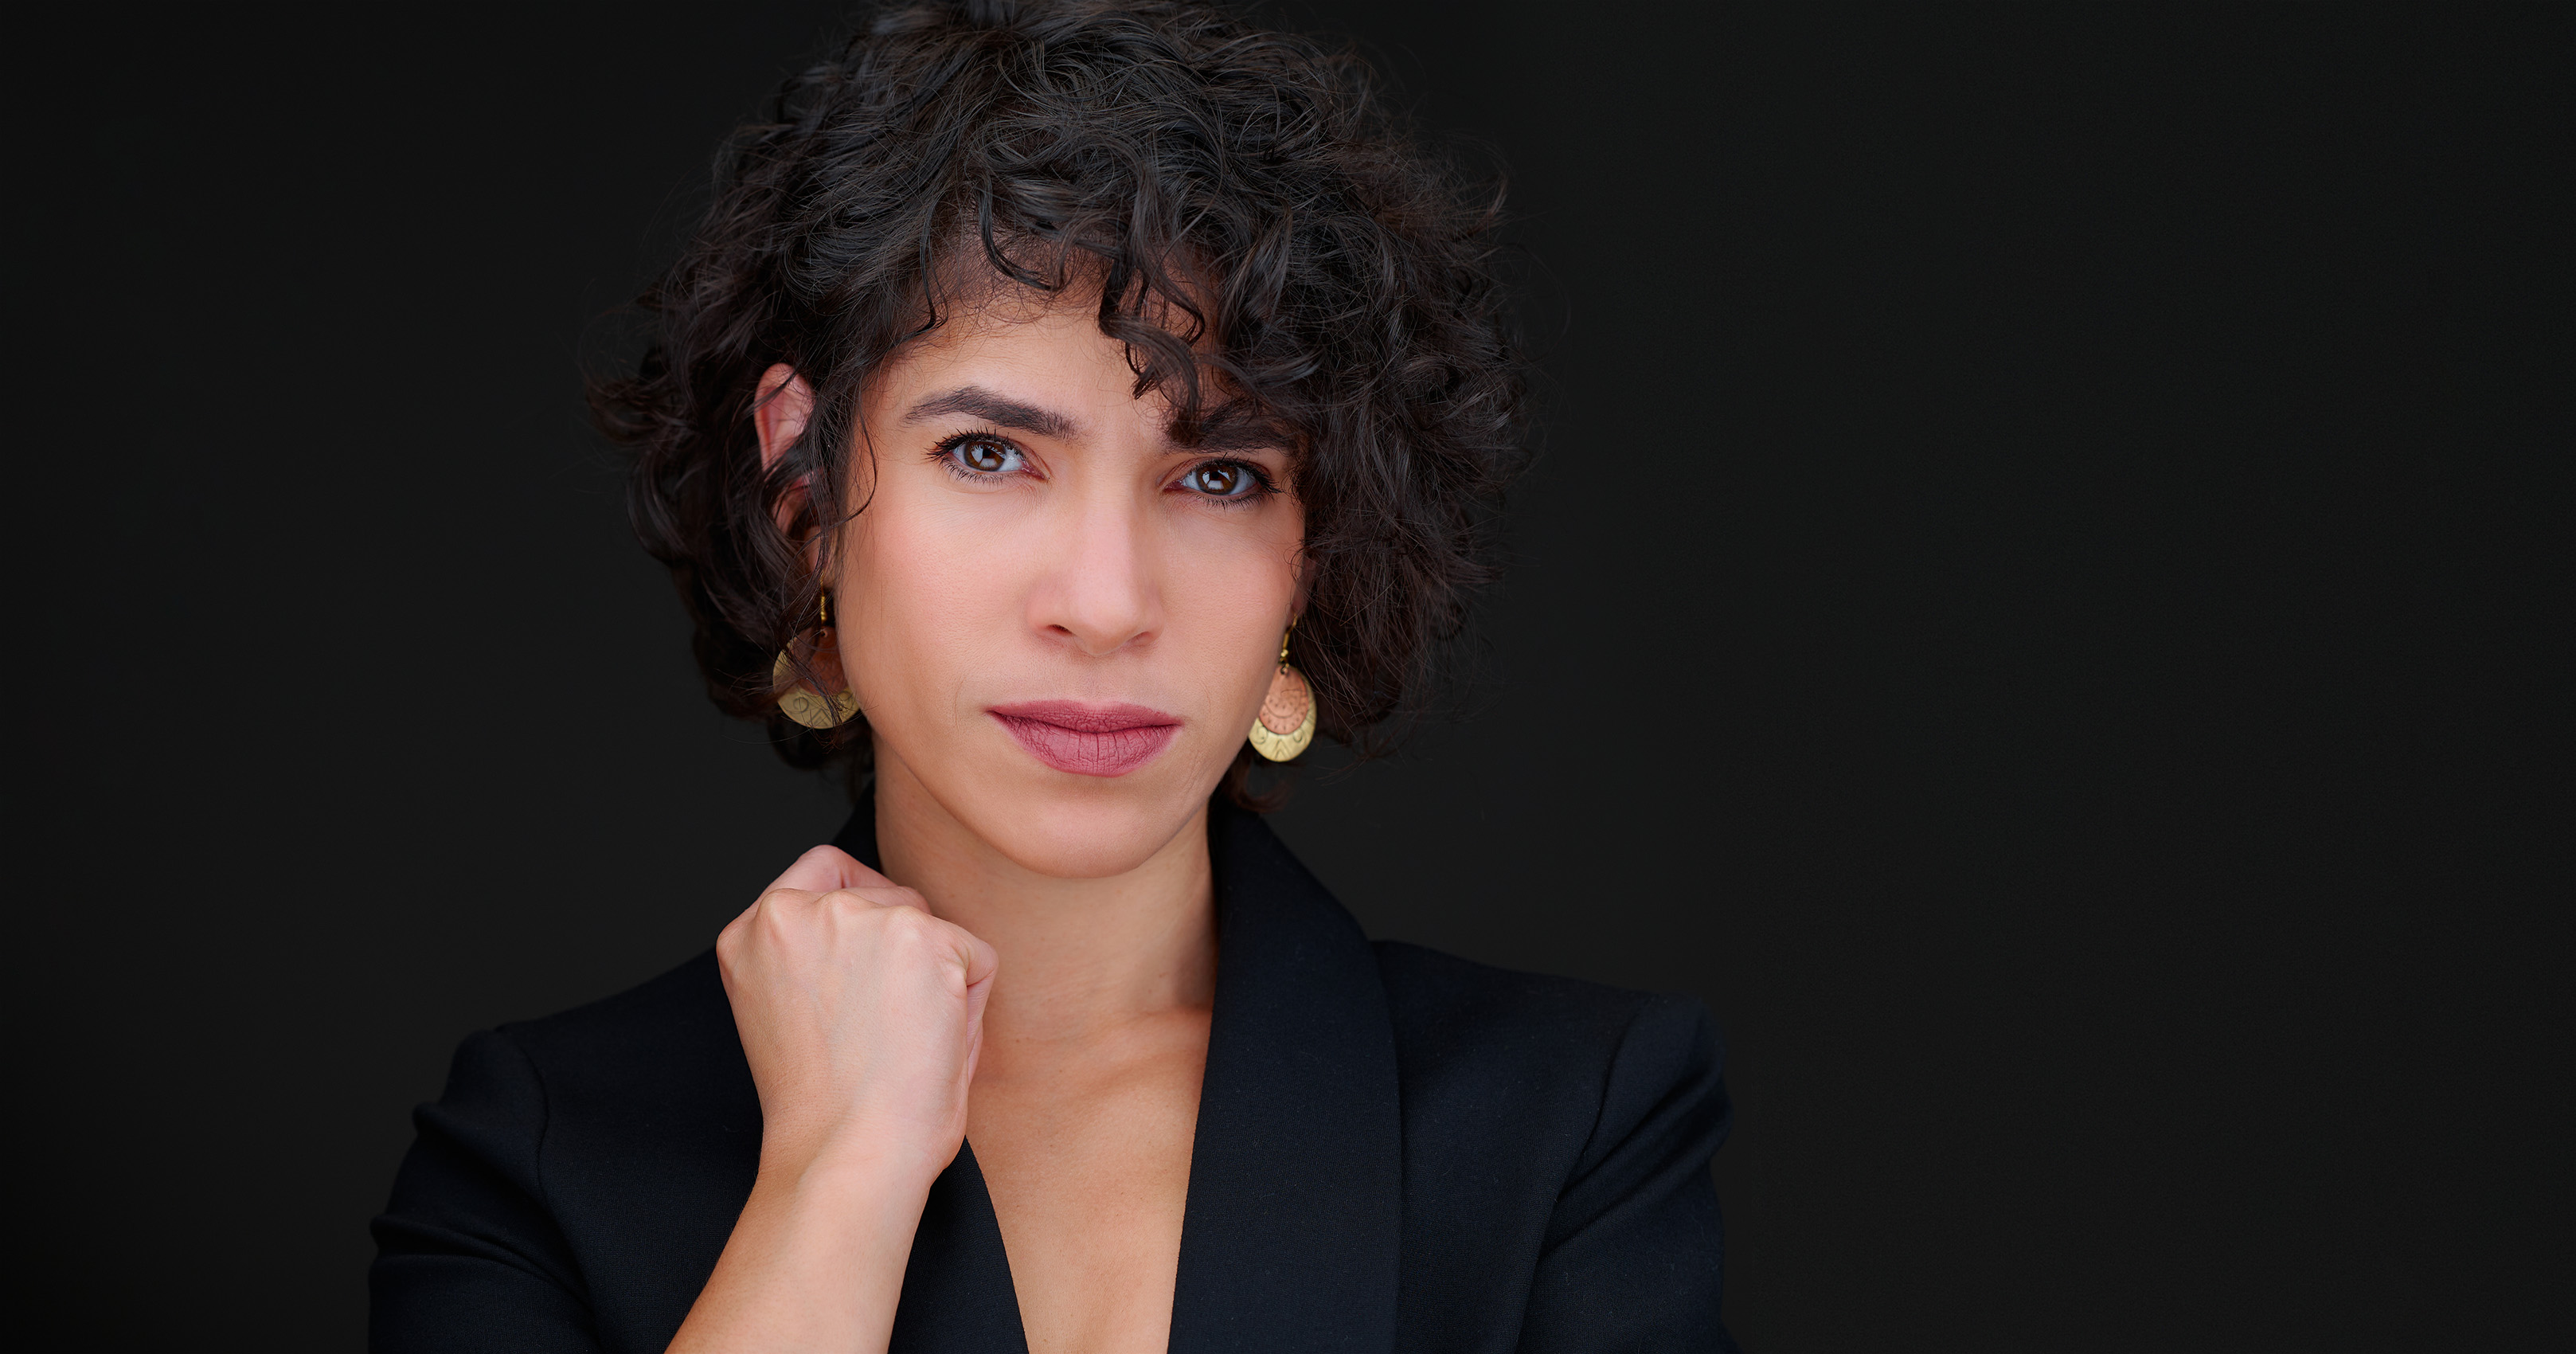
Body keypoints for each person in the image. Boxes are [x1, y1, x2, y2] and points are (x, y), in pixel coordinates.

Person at [368, 2, 1733, 1350]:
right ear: (800, 489)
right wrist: (838, 1175)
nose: (1105, 603)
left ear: (1312, 558)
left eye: (1219, 475)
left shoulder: (1569, 1125)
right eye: (989, 454)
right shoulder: (542, 1157)